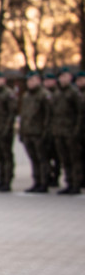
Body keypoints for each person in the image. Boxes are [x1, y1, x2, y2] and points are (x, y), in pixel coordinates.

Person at [50, 67, 82, 195]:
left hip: (71, 132)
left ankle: (77, 184)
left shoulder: (74, 93)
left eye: (65, 76)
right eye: (61, 76)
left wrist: (76, 130)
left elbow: (80, 113)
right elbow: (53, 114)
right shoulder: (57, 93)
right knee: (65, 160)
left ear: (70, 77)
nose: (63, 79)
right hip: (59, 132)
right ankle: (69, 183)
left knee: (75, 160)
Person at [19, 70, 52, 193]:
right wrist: (22, 132)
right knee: (34, 159)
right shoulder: (26, 96)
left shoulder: (44, 95)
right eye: (28, 81)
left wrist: (46, 133)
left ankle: (44, 183)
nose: (30, 83)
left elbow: (48, 116)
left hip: (39, 133)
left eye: (32, 80)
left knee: (42, 159)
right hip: (29, 132)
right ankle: (36, 182)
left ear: (38, 80)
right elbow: (23, 115)